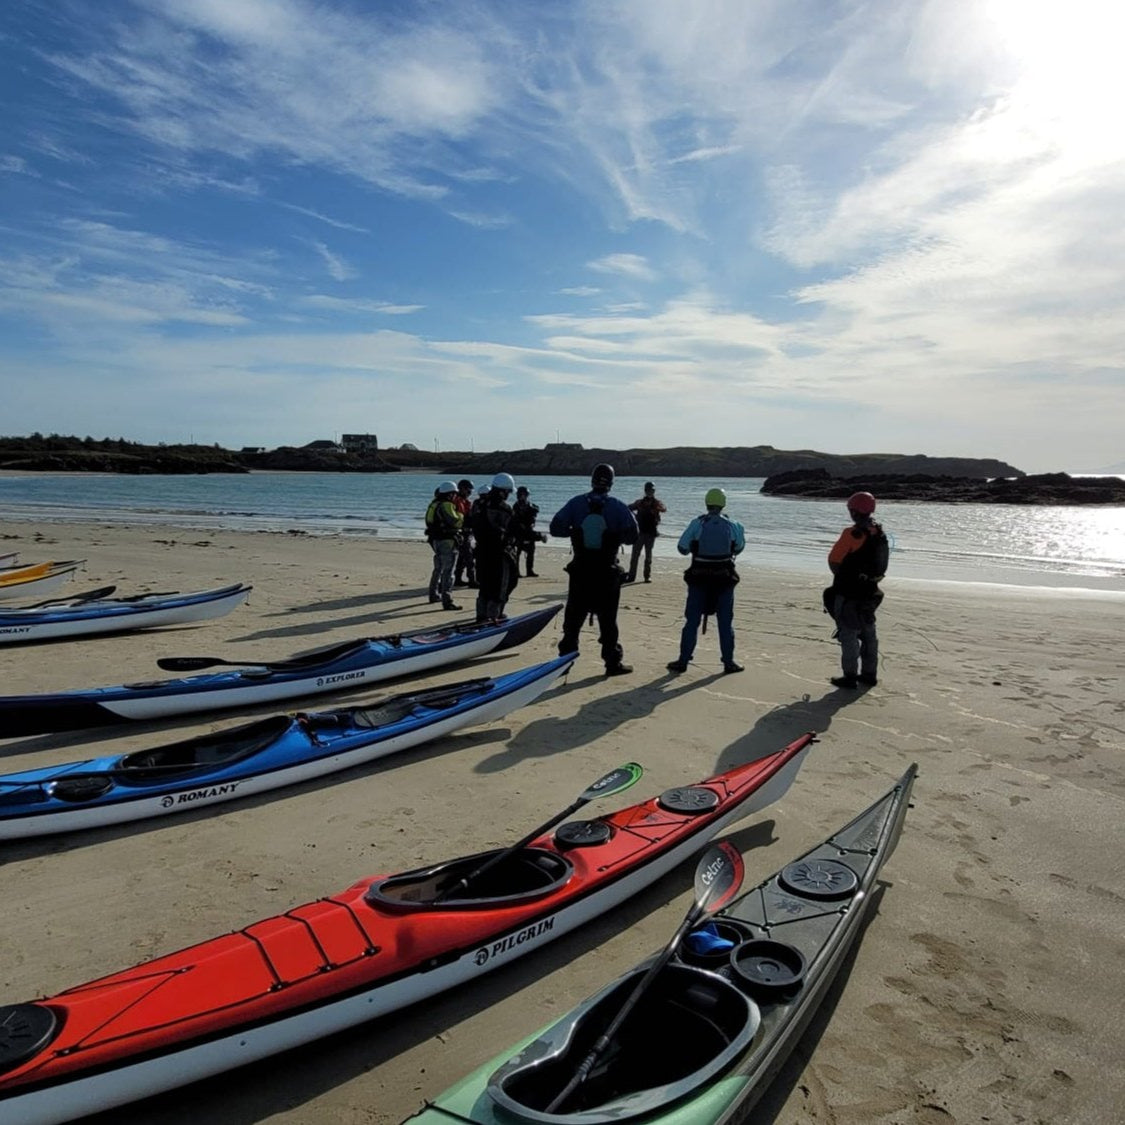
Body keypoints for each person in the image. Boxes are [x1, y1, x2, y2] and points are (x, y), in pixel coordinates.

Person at [549, 463, 639, 676]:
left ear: (592, 480)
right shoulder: (618, 507)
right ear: (611, 483)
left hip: (580, 571)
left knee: (573, 619)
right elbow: (633, 536)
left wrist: (575, 531)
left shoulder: (576, 503)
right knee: (608, 621)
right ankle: (612, 663)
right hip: (607, 573)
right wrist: (614, 534)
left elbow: (555, 528)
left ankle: (564, 662)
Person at [666, 488, 745, 674]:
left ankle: (683, 660)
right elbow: (739, 548)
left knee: (692, 620)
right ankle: (728, 662)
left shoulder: (698, 523)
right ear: (723, 503)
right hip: (724, 580)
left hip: (699, 579)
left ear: (707, 503)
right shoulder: (734, 525)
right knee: (725, 622)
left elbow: (682, 548)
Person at [826, 491, 888, 689]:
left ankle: (850, 676)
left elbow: (834, 562)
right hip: (871, 591)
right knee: (869, 632)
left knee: (849, 634)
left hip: (850, 592)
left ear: (853, 511)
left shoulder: (852, 534)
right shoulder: (879, 532)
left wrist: (844, 576)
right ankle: (869, 674)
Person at [472, 472, 519, 622]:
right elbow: (515, 529)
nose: (509, 495)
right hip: (499, 553)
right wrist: (536, 535)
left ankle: (481, 615)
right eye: (508, 492)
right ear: (502, 491)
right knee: (501, 586)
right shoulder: (504, 509)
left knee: (485, 585)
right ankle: (494, 616)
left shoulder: (479, 505)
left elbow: (471, 523)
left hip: (481, 551)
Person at [425, 481, 463, 610]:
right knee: (448, 571)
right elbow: (456, 522)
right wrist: (461, 514)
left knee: (438, 569)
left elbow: (429, 521)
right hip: (447, 541)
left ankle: (433, 594)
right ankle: (447, 600)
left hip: (435, 540)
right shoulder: (447, 505)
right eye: (454, 494)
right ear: (450, 494)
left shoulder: (433, 504)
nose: (455, 496)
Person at [626, 480, 667, 583]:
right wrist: (634, 517)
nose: (650, 492)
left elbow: (664, 509)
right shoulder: (639, 503)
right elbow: (627, 508)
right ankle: (631, 576)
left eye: (652, 490)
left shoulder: (657, 502)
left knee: (648, 556)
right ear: (645, 491)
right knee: (635, 556)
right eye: (648, 490)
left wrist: (656, 508)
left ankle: (647, 576)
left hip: (651, 533)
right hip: (639, 533)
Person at [511, 485, 546, 577]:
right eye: (522, 495)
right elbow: (515, 520)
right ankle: (516, 572)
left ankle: (529, 570)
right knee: (517, 553)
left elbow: (535, 512)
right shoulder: (516, 506)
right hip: (518, 533)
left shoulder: (530, 505)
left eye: (525, 495)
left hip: (529, 531)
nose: (523, 496)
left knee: (531, 551)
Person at [452, 479, 478, 588]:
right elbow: (460, 517)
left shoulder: (463, 501)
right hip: (462, 533)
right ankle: (472, 580)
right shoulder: (458, 501)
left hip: (465, 532)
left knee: (463, 557)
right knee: (468, 557)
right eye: (468, 490)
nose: (469, 492)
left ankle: (458, 578)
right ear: (462, 489)